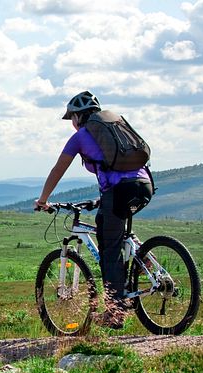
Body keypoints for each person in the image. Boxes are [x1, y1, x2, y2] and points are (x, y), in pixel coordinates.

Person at [34, 91, 153, 329]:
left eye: (72, 119)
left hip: (119, 191)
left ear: (78, 116)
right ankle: (146, 259)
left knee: (109, 250)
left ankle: (114, 314)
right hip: (144, 186)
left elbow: (58, 169)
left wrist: (43, 200)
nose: (72, 124)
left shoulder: (81, 137)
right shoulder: (115, 128)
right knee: (114, 229)